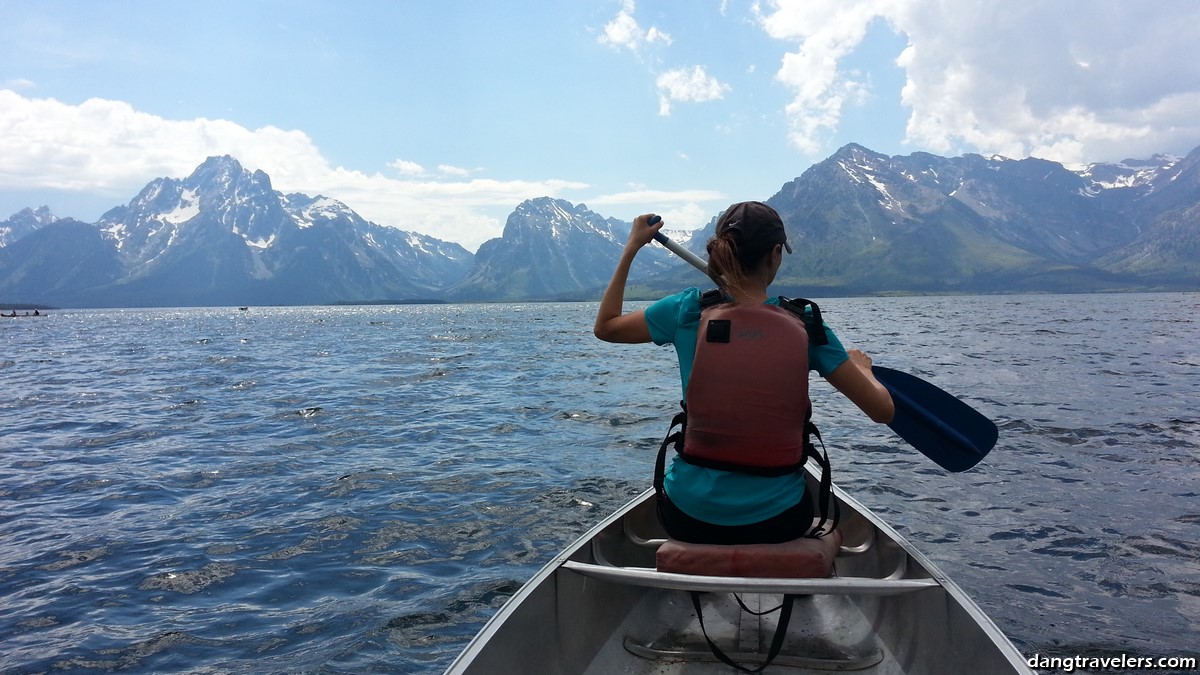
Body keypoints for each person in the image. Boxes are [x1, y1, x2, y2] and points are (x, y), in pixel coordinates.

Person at [594, 201, 895, 546]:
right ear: (775, 254)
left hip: (686, 515)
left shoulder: (686, 309)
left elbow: (606, 327)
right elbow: (882, 410)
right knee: (826, 527)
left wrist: (632, 246)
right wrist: (862, 369)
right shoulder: (807, 324)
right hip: (777, 519)